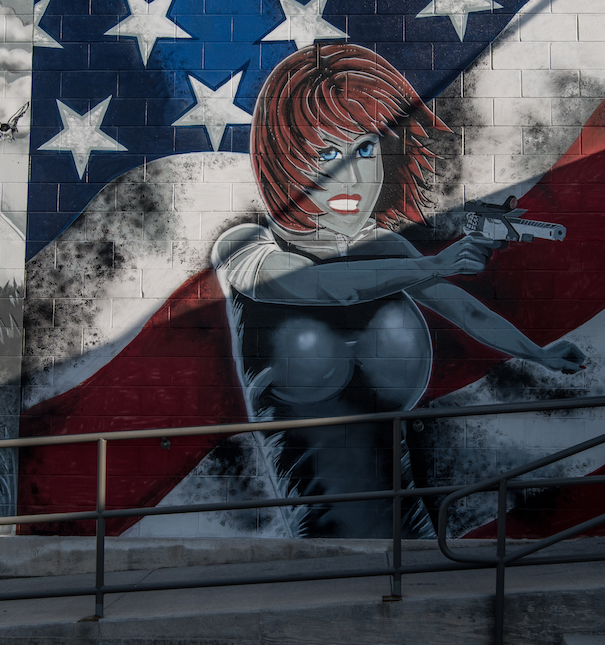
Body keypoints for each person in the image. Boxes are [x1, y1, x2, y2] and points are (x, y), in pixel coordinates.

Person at [211, 43, 585, 538]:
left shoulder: (383, 248)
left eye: (364, 148)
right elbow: (317, 286)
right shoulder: (246, 247)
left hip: (411, 530)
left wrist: (538, 353)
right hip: (324, 540)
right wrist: (433, 264)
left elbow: (465, 311)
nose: (351, 175)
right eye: (326, 152)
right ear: (285, 161)